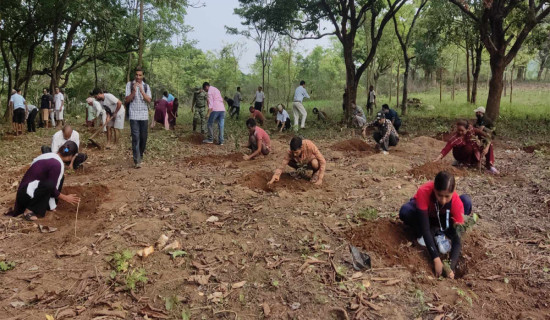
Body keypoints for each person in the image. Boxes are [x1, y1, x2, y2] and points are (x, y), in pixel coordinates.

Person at [399, 171, 472, 279]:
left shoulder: (456, 203)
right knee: (405, 211)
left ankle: (439, 232)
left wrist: (450, 267)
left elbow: (457, 240)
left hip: (443, 219)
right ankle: (435, 233)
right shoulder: (424, 191)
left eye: (447, 196)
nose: (443, 200)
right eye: (439, 195)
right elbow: (425, 228)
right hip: (425, 217)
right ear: (434, 189)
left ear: (453, 191)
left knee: (466, 201)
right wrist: (436, 259)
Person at [6, 141, 81, 221]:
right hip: (26, 196)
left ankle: (46, 206)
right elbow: (52, 188)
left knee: (56, 179)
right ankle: (29, 210)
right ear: (70, 157)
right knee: (49, 184)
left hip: (24, 191)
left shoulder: (47, 155)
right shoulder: (57, 165)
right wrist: (65, 198)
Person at [434, 120, 498, 174]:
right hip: (460, 154)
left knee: (488, 145)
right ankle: (463, 162)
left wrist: (486, 148)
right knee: (469, 147)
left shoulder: (472, 130)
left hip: (474, 150)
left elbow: (488, 137)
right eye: (458, 130)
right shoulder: (455, 137)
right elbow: (446, 148)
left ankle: (489, 166)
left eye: (462, 130)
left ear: (467, 129)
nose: (460, 132)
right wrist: (438, 158)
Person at [125, 68, 152, 168]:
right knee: (135, 137)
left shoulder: (146, 86)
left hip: (144, 115)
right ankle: (137, 161)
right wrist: (133, 91)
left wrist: (141, 90)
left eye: (140, 75)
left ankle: (140, 154)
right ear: (134, 75)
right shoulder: (129, 85)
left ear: (143, 76)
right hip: (134, 115)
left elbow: (149, 100)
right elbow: (127, 100)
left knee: (143, 138)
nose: (138, 77)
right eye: (136, 75)